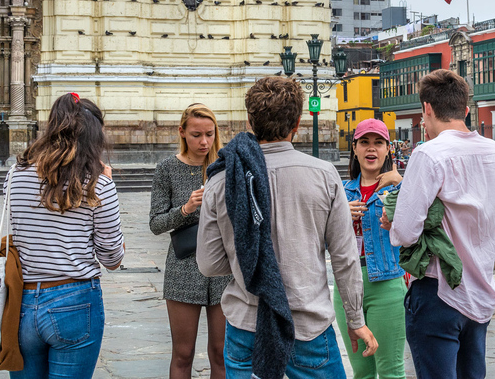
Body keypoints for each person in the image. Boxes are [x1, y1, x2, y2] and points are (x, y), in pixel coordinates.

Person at [198, 76, 378, 379]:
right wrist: (355, 319)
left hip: (247, 326)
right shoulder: (323, 175)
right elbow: (345, 259)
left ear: (250, 120)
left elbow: (209, 263)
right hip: (307, 325)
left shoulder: (221, 180)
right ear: (297, 122)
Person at [382, 69, 495, 379]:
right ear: (465, 110)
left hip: (439, 293)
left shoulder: (429, 154)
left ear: (426, 109)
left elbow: (406, 233)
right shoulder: (494, 152)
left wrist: (391, 222)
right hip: (480, 292)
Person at [6, 92, 125, 379]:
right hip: (75, 299)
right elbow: (111, 257)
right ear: (94, 135)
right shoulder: (98, 184)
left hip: (21, 303)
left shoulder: (15, 175)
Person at [150, 103, 229, 379]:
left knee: (221, 353)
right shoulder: (167, 169)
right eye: (196, 134)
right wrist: (186, 208)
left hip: (223, 269)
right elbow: (156, 224)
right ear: (182, 132)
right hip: (183, 267)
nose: (204, 141)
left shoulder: (226, 166)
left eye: (209, 133)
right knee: (183, 354)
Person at [335, 118, 406, 379]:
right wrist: (341, 215)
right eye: (364, 142)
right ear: (354, 148)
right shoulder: (341, 192)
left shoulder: (400, 188)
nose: (371, 149)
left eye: (378, 143)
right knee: (362, 372)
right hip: (346, 288)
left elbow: (421, 226)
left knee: (391, 371)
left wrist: (400, 183)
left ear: (388, 149)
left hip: (386, 284)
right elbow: (321, 240)